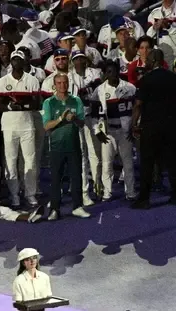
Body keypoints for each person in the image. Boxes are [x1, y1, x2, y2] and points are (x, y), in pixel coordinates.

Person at [131, 49, 176, 209]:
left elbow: (138, 104)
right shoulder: (173, 78)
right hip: (171, 126)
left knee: (147, 164)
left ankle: (144, 199)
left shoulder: (146, 79)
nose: (146, 62)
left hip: (150, 127)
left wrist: (134, 124)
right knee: (173, 162)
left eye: (149, 60)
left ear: (154, 60)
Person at [42, 73, 91, 221]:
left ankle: (77, 207)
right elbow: (46, 126)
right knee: (56, 178)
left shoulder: (76, 100)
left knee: (76, 176)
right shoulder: (49, 102)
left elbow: (82, 123)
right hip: (56, 146)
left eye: (65, 82)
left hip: (73, 144)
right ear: (54, 85)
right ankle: (54, 209)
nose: (62, 85)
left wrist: (74, 118)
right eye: (59, 83)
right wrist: (60, 119)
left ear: (68, 83)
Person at [0, 51, 41, 208]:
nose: (16, 62)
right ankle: (14, 194)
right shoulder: (2, 81)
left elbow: (36, 104)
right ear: (11, 61)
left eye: (19, 59)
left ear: (23, 61)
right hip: (9, 127)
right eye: (13, 59)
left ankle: (30, 194)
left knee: (30, 161)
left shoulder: (32, 80)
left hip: (27, 126)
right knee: (11, 161)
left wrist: (20, 105)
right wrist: (10, 106)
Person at [95, 60, 136, 202]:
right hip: (108, 133)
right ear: (105, 74)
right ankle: (107, 193)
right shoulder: (99, 90)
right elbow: (94, 114)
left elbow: (137, 109)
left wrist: (134, 128)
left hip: (126, 132)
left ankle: (130, 192)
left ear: (118, 71)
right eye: (109, 72)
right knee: (107, 164)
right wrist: (97, 131)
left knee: (128, 164)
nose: (112, 74)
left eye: (114, 71)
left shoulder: (130, 88)